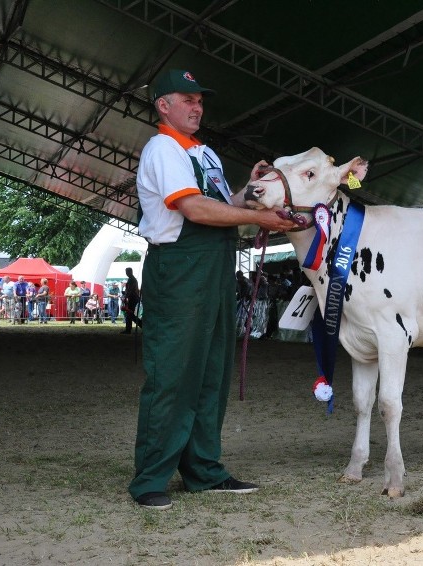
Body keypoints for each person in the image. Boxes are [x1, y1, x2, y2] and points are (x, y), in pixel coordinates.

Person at [128, 68, 296, 510]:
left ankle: (204, 470)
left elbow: (222, 206)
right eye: (187, 99)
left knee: (211, 372)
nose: (197, 106)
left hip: (214, 266)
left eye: (199, 99)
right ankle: (150, 478)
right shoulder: (162, 148)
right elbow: (194, 208)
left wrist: (248, 193)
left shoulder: (203, 153)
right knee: (173, 373)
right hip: (181, 268)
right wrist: (260, 219)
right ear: (163, 106)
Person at [121, 267, 141, 334]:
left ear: (130, 272)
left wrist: (126, 297)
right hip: (132, 298)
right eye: (126, 272)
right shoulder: (131, 279)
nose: (126, 273)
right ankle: (128, 329)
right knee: (130, 314)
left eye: (127, 272)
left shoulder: (132, 279)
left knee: (130, 314)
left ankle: (130, 329)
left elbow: (131, 290)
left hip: (133, 298)